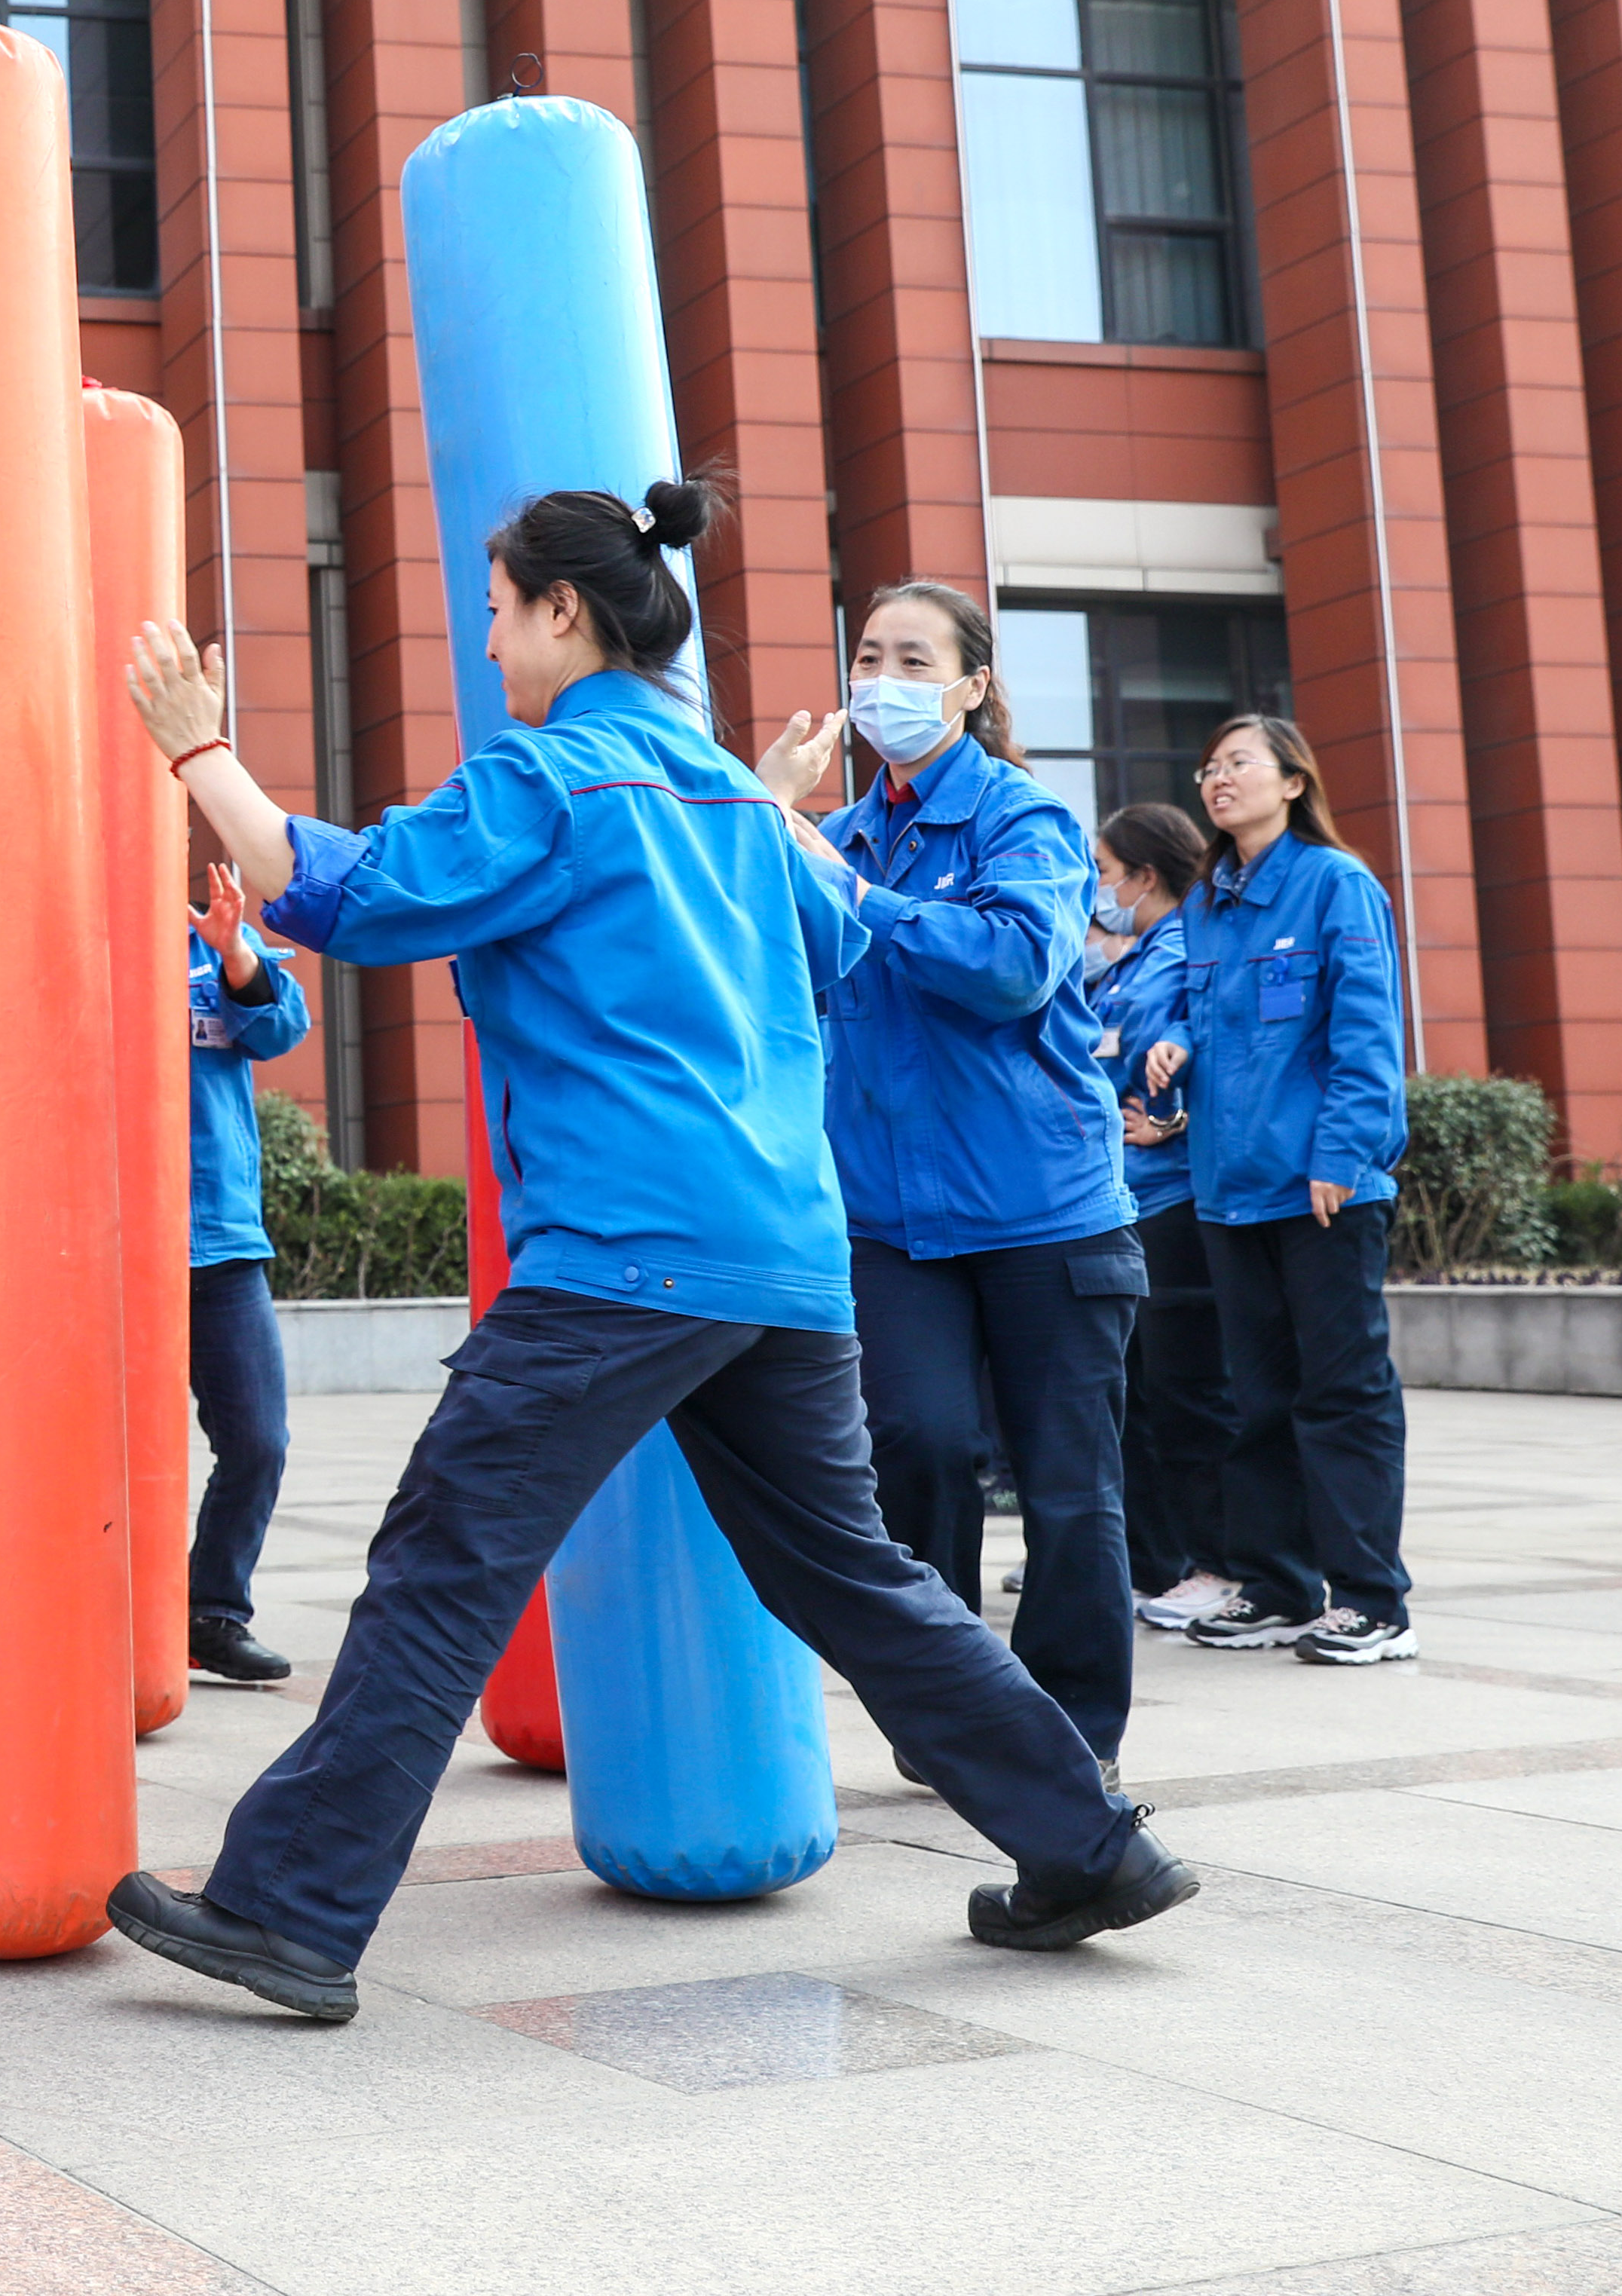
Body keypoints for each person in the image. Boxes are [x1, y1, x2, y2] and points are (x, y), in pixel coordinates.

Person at [95, 476, 1193, 2025]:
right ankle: (1089, 1842)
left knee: (444, 1561)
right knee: (857, 1575)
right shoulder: (743, 797)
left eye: (497, 609)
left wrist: (198, 745)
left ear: (563, 610)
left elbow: (338, 890)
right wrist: (758, 811)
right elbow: (840, 945)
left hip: (625, 1251)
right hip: (786, 1252)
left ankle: (290, 1907)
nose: (488, 641)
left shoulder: (551, 775)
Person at [782, 583, 1143, 1780]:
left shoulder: (1020, 818)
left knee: (1067, 1486)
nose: (883, 680)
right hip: (891, 1221)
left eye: (913, 659)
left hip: (1044, 1209)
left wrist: (851, 895)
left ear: (972, 687)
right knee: (917, 1446)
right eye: (868, 657)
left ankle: (1070, 1743)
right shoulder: (837, 835)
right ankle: (952, 1714)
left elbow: (1011, 965)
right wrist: (771, 817)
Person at [1146, 715, 1418, 1666]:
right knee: (1256, 1400)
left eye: (1238, 763)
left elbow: (1367, 1034)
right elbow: (1201, 1012)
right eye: (1208, 767)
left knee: (1342, 1393)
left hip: (1323, 1189)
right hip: (1229, 1190)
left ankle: (1374, 1601)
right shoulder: (1206, 902)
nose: (1217, 779)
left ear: (1293, 782)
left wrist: (1341, 1154)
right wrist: (1172, 1044)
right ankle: (1279, 1586)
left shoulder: (1336, 883)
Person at [1089, 803, 1241, 1632]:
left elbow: (1200, 1052)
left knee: (1189, 1393)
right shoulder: (1133, 961)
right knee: (1141, 1395)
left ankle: (1220, 1561)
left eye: (1106, 873)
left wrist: (1171, 1118)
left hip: (1172, 1196)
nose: (1099, 889)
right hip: (1128, 1195)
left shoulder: (1185, 951)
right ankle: (1158, 1557)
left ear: (1147, 876)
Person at [179, 862, 311, 1687]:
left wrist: (234, 955)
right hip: (105, 1249)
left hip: (221, 1240)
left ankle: (213, 1613)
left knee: (258, 1441)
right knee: (107, 1456)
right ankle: (99, 1615)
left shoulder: (211, 946)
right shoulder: (67, 937)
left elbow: (281, 1028)